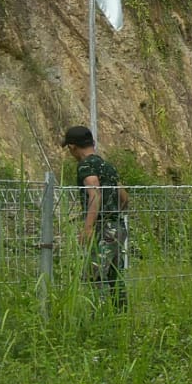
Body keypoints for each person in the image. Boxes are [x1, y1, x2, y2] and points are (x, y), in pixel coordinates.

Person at [63, 125, 129, 309]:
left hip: (103, 230)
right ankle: (121, 316)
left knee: (95, 276)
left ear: (72, 147)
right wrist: (113, 215)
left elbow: (95, 193)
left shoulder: (85, 166)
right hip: (118, 227)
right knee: (116, 277)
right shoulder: (107, 166)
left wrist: (89, 227)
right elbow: (124, 197)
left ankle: (97, 318)